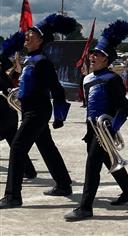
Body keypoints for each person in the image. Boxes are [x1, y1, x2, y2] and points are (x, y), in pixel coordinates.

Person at [64, 20, 128, 221]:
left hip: (105, 128)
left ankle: (85, 207)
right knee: (107, 159)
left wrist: (112, 128)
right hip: (91, 128)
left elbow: (124, 107)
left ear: (107, 60)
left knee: (92, 165)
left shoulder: (112, 79)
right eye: (93, 53)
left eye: (98, 55)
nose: (93, 56)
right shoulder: (88, 79)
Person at [0, 14, 75, 209]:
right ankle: (64, 184)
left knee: (17, 148)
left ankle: (12, 196)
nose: (26, 37)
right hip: (29, 109)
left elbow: (57, 89)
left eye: (31, 35)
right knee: (47, 147)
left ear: (41, 40)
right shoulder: (30, 60)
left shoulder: (42, 61)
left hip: (37, 111)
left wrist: (59, 116)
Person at [0, 54, 37, 179]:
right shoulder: (4, 76)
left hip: (3, 117)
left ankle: (29, 170)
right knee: (16, 145)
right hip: (9, 117)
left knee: (16, 144)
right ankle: (29, 170)